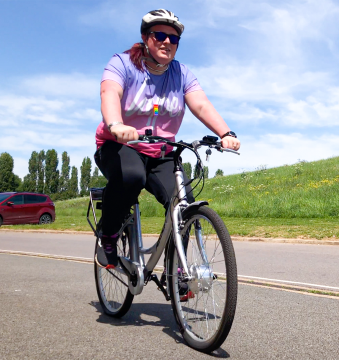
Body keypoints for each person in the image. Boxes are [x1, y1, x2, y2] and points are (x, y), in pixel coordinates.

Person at [94, 9, 240, 269]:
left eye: (174, 39)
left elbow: (201, 105)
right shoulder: (123, 63)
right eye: (159, 35)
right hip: (119, 145)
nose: (167, 42)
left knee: (184, 203)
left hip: (161, 152)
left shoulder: (181, 74)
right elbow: (109, 93)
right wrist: (116, 124)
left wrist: (225, 133)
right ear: (145, 37)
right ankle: (108, 233)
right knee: (132, 176)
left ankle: (179, 272)